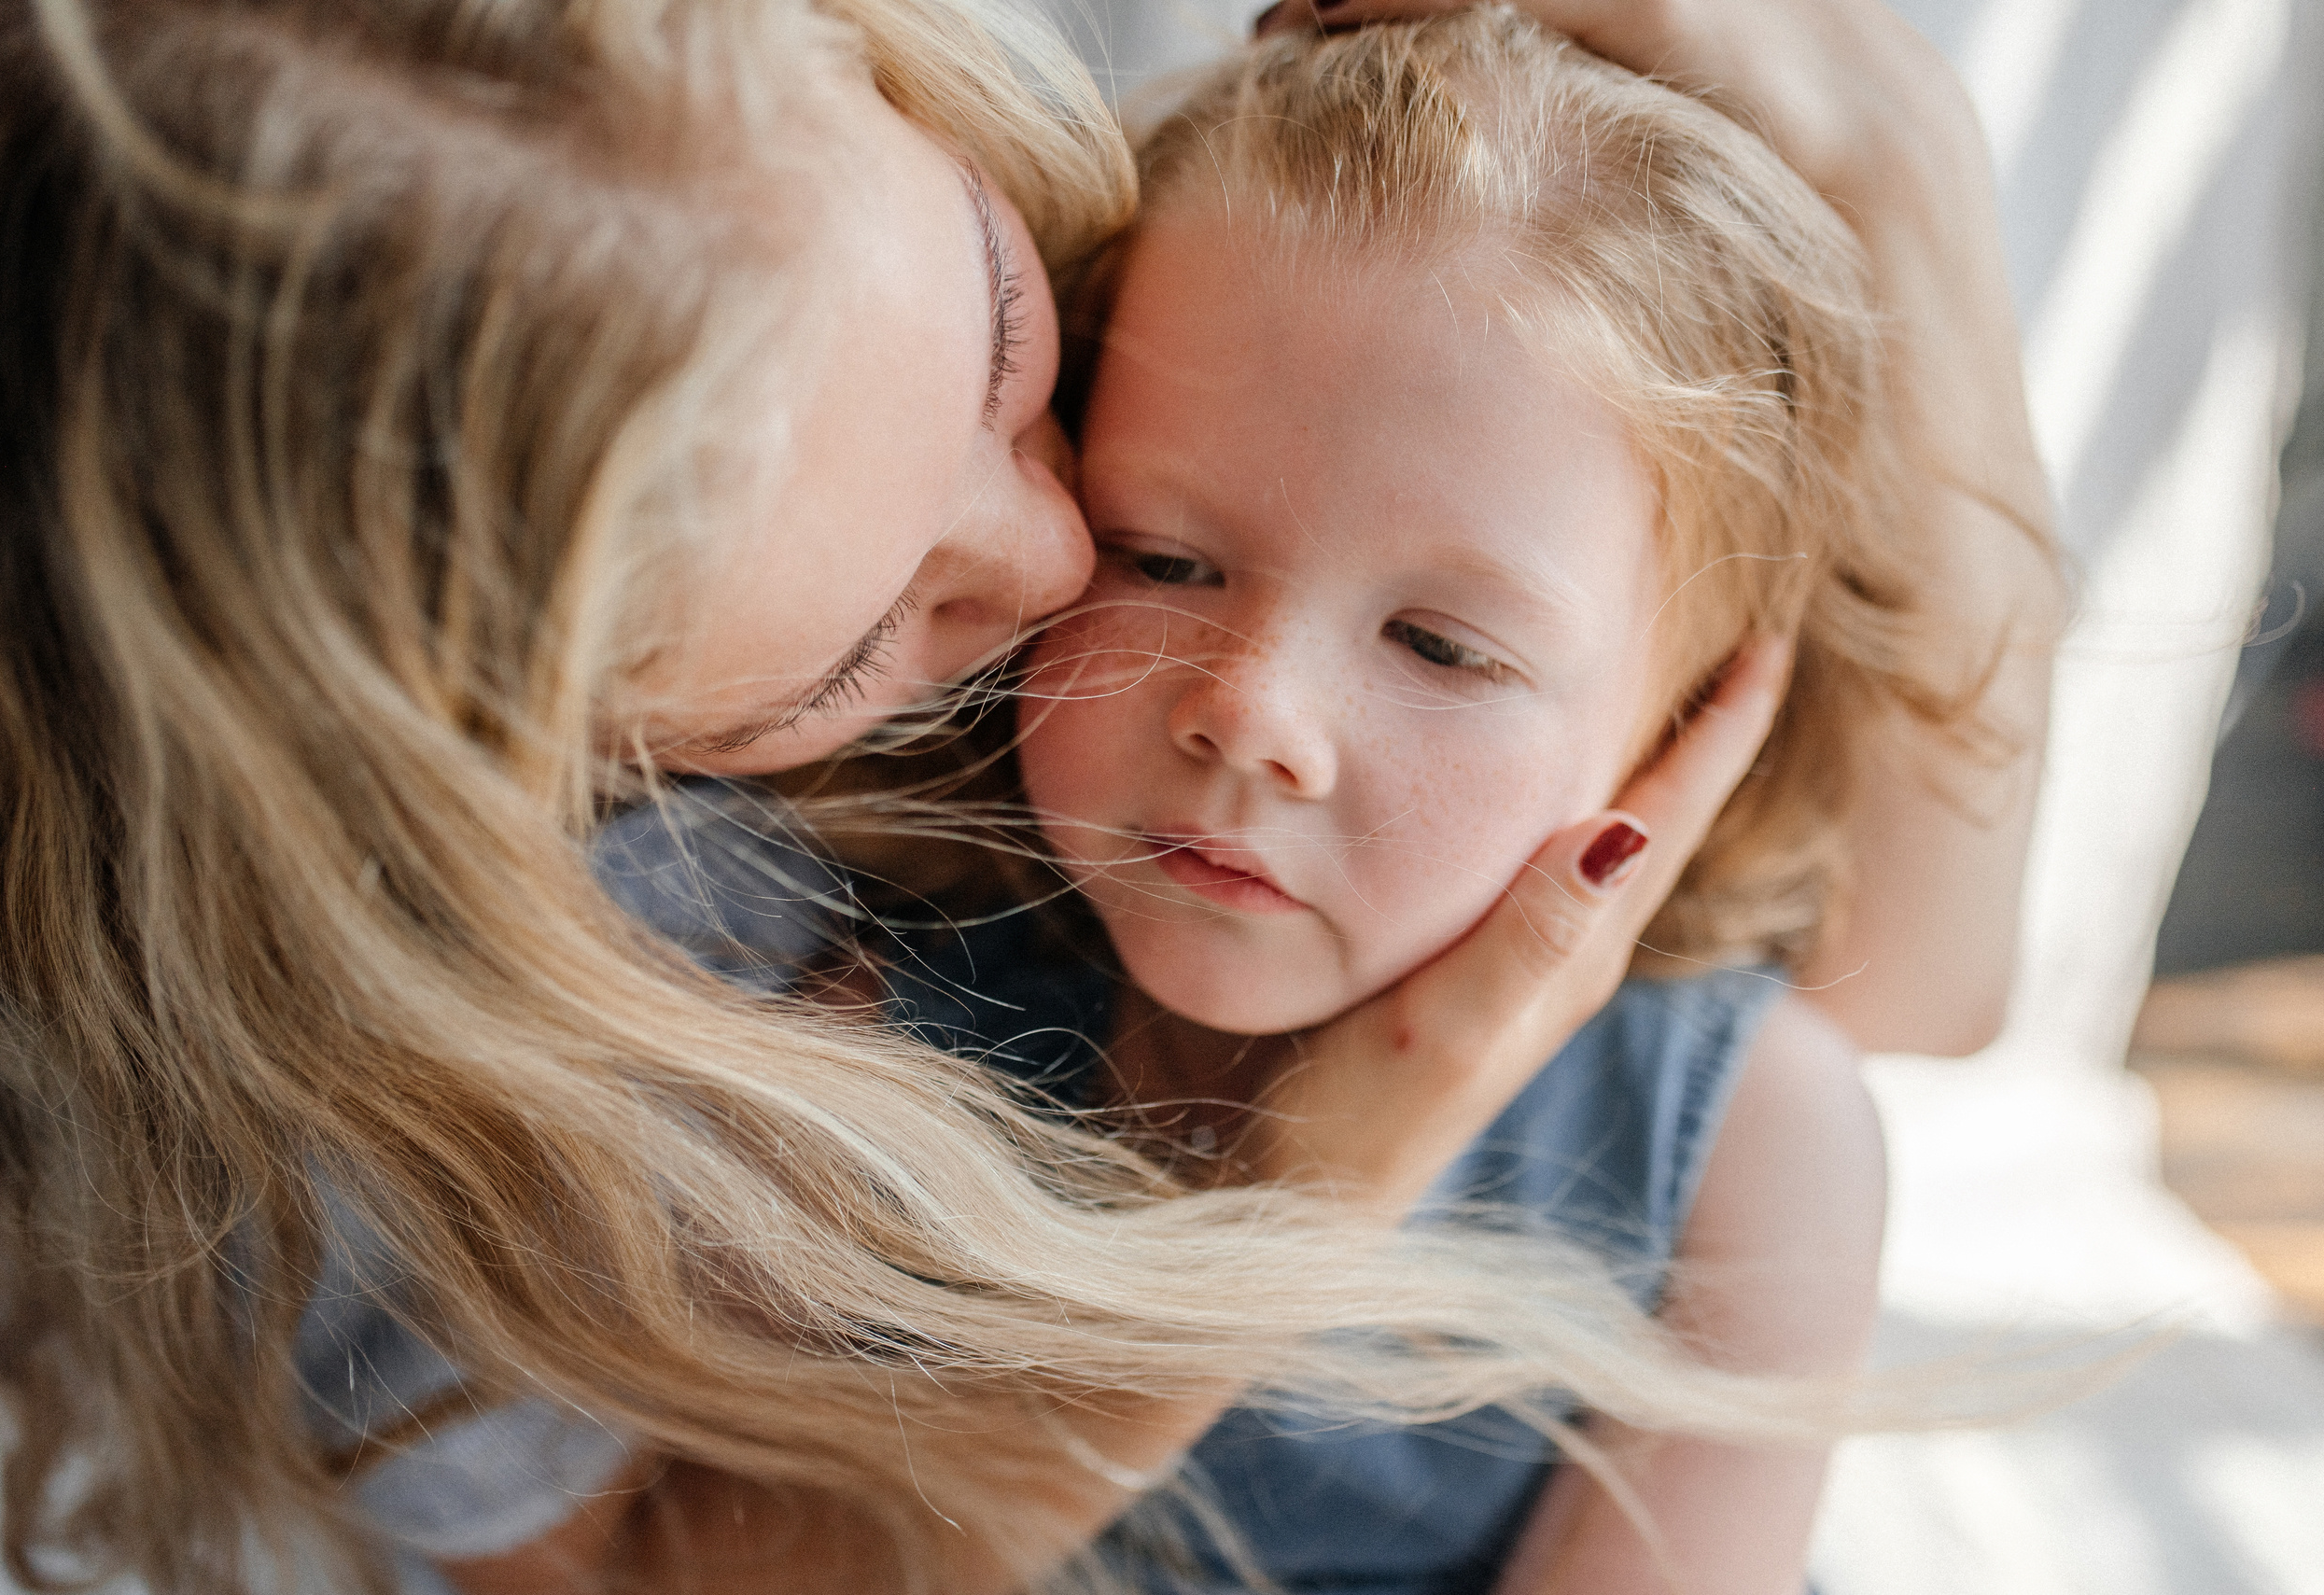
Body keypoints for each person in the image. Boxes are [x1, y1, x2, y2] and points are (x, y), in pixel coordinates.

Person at [0, 4, 2055, 1595]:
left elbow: (1920, 985)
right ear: (552, 731)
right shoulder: (717, 938)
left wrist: (1888, 151)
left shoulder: (1725, 1122)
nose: (1067, 586)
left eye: (1014, 353)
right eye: (1159, 547)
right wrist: (1305, 1186)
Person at [846, 11, 2040, 1589]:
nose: (1252, 712)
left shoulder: (1746, 1139)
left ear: (1684, 732)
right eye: (1163, 554)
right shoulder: (870, 1007)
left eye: (1442, 645)